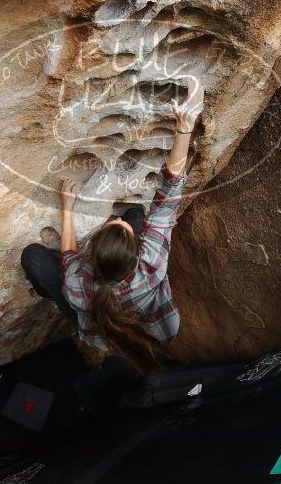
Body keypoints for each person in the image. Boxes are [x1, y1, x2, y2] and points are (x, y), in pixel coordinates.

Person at [21, 77, 204, 376]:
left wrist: (66, 209)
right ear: (136, 252)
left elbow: (67, 257)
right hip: (159, 327)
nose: (115, 219)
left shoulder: (79, 288)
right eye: (121, 227)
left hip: (99, 328)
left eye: (111, 224)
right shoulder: (152, 263)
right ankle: (146, 360)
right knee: (136, 213)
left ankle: (50, 298)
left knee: (34, 258)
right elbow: (169, 191)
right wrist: (184, 128)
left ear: (90, 255)